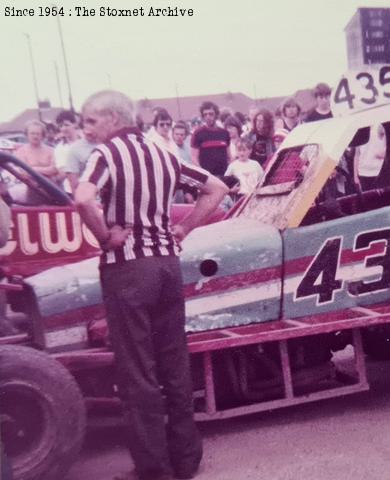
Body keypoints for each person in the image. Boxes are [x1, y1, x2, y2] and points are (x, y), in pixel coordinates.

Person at [74, 89, 228, 480]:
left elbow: (82, 198)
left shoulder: (106, 155)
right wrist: (185, 228)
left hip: (127, 270)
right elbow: (218, 189)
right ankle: (186, 459)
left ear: (112, 118)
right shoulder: (162, 153)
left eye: (90, 121)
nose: (86, 129)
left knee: (138, 371)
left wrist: (105, 236)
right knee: (174, 363)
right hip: (166, 267)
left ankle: (154, 467)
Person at [190, 101, 230, 178]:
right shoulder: (198, 133)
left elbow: (229, 157)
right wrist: (203, 174)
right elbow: (194, 158)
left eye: (211, 114)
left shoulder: (224, 133)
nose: (208, 117)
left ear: (216, 115)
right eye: (205, 114)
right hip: (208, 178)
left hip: (224, 176)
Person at [65, 118, 99, 194]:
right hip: (86, 192)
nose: (89, 135)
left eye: (91, 133)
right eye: (86, 132)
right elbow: (73, 179)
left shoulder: (106, 144)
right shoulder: (75, 148)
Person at [354, 123, 387, 191]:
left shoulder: (379, 126)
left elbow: (386, 148)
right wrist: (355, 176)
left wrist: (382, 154)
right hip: (362, 172)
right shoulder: (359, 129)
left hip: (377, 171)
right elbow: (356, 155)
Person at [54, 110, 80, 193]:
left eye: (66, 125)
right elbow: (62, 173)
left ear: (75, 124)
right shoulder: (59, 148)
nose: (64, 128)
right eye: (61, 126)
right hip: (71, 190)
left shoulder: (86, 142)